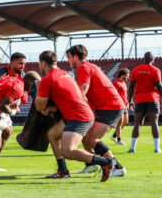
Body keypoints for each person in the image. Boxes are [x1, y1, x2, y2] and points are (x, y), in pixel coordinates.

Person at [35, 50, 115, 182]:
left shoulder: (47, 80)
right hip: (80, 114)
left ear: (43, 63)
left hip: (78, 117)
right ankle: (63, 171)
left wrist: (38, 88)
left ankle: (106, 162)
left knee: (68, 151)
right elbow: (69, 97)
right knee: (52, 134)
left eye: (39, 64)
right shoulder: (66, 74)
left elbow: (39, 107)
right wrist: (52, 107)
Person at [67, 45, 126, 177]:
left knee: (93, 138)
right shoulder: (87, 67)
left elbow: (82, 91)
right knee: (85, 134)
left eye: (69, 57)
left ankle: (117, 167)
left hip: (111, 107)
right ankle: (91, 164)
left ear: (76, 57)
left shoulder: (83, 67)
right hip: (105, 107)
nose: (68, 61)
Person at [127, 52, 162, 153]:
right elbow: (159, 85)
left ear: (144, 58)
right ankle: (157, 148)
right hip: (152, 99)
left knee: (137, 123)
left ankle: (132, 148)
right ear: (152, 59)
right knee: (154, 123)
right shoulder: (155, 70)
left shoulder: (136, 70)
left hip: (140, 99)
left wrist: (130, 100)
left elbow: (131, 86)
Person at [110, 68, 130, 146]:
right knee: (120, 123)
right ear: (122, 75)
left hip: (124, 105)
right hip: (119, 105)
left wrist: (127, 102)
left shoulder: (124, 83)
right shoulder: (116, 83)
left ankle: (114, 136)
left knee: (125, 122)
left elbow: (124, 94)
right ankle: (119, 140)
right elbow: (113, 95)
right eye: (127, 76)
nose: (128, 78)